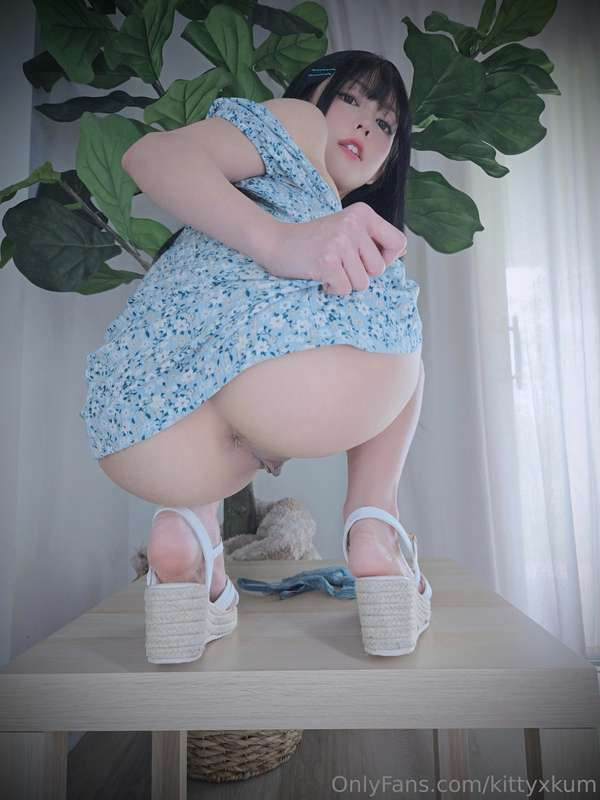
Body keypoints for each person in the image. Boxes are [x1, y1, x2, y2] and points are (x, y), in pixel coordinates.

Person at [80, 49, 431, 662]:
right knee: (397, 321)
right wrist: (280, 243)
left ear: (385, 165)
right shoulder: (298, 122)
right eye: (351, 98)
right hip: (286, 389)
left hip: (141, 434)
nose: (365, 124)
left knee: (208, 320)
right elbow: (150, 155)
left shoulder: (236, 209)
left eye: (385, 125)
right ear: (309, 96)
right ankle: (374, 524)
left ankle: (188, 538)